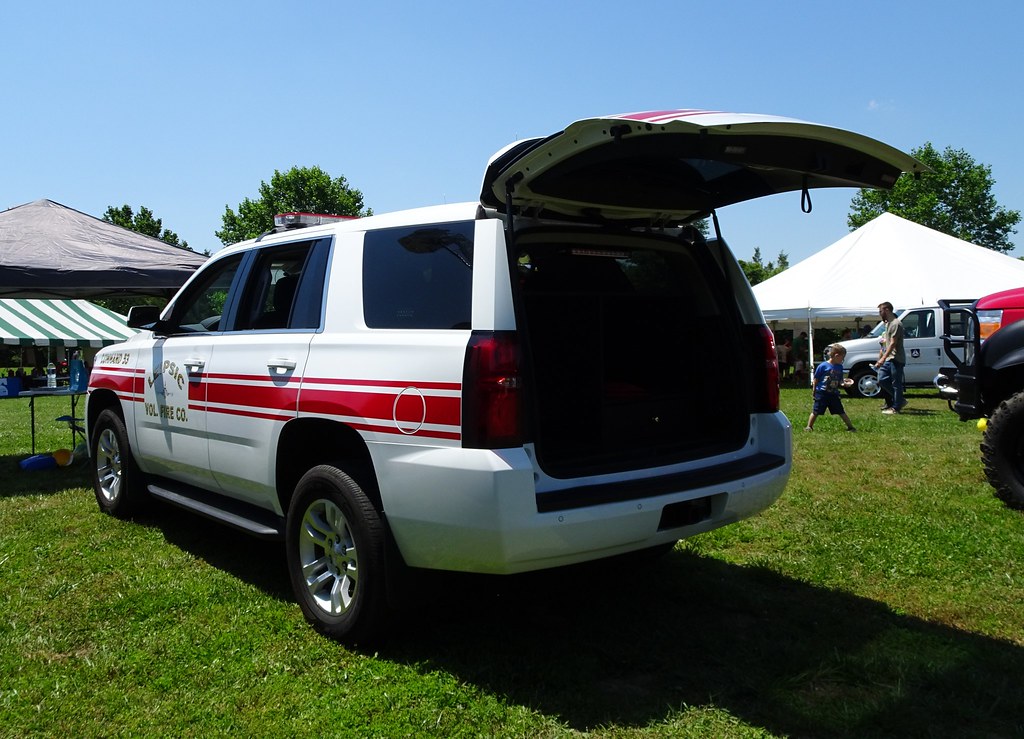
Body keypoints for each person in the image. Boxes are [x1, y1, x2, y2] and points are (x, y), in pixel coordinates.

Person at [805, 344, 856, 431]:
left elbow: (840, 380)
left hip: (833, 393)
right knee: (816, 411)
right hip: (822, 393)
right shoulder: (823, 366)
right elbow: (816, 380)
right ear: (836, 356)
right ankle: (809, 426)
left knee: (841, 411)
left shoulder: (840, 367)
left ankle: (850, 427)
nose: (842, 360)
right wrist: (814, 391)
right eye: (842, 358)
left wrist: (844, 384)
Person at [875, 301, 906, 414]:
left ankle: (896, 407)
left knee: (896, 384)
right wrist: (881, 356)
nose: (880, 313)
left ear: (887, 310)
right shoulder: (888, 323)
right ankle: (900, 400)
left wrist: (882, 359)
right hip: (889, 358)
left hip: (896, 358)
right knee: (882, 379)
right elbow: (886, 343)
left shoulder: (896, 324)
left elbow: (893, 343)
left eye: (880, 311)